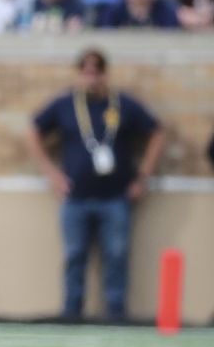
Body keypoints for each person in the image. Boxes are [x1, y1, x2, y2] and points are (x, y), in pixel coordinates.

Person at [25, 49, 165, 322]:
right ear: (78, 74)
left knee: (116, 255)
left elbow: (156, 132)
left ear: (105, 73)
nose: (91, 78)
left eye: (96, 71)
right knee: (75, 256)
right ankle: (71, 312)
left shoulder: (121, 104)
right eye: (86, 72)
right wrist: (50, 173)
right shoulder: (66, 104)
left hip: (115, 197)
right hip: (75, 197)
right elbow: (33, 130)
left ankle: (116, 314)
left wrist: (143, 176)